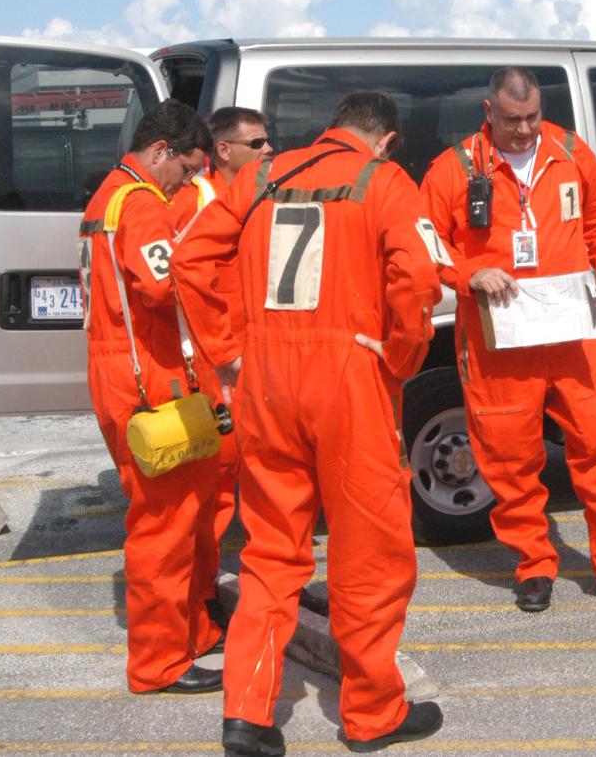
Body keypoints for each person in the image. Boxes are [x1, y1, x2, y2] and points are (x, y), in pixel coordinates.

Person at [171, 92, 446, 756]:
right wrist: (404, 358)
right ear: (385, 140)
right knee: (370, 558)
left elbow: (189, 260)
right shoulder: (385, 182)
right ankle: (373, 714)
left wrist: (229, 352)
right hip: (351, 380)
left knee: (270, 558)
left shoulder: (262, 176)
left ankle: (247, 713)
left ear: (332, 129)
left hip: (267, 383)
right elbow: (419, 277)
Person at [421, 67, 596, 615]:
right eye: (511, 120)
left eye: (531, 118)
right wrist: (467, 275)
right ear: (488, 112)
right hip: (500, 338)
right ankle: (533, 564)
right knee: (509, 456)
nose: (524, 131)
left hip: (574, 330)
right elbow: (424, 240)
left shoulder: (571, 152)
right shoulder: (454, 169)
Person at [77, 98, 224, 694]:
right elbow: (164, 286)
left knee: (181, 514)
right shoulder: (139, 204)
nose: (186, 183)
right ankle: (159, 663)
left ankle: (191, 635)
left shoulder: (106, 197)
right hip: (147, 376)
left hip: (118, 368)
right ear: (160, 152)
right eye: (185, 170)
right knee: (164, 523)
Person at [172, 107, 274, 629]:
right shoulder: (197, 202)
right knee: (214, 491)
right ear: (225, 150)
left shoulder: (257, 198)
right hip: (215, 364)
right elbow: (177, 275)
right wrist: (221, 352)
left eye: (268, 142)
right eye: (256, 144)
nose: (268, 151)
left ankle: (254, 590)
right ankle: (200, 600)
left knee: (253, 485)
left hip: (251, 359)